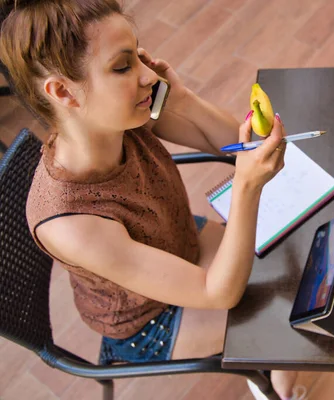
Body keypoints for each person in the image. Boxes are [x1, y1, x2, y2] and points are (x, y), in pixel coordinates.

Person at [0, 1, 306, 399]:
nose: (148, 75)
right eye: (123, 66)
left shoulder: (123, 114)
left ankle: (268, 366)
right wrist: (246, 188)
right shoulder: (68, 221)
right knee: (291, 317)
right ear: (63, 92)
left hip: (179, 239)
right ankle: (277, 386)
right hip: (148, 320)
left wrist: (182, 100)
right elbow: (219, 292)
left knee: (296, 262)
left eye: (138, 56)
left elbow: (234, 146)